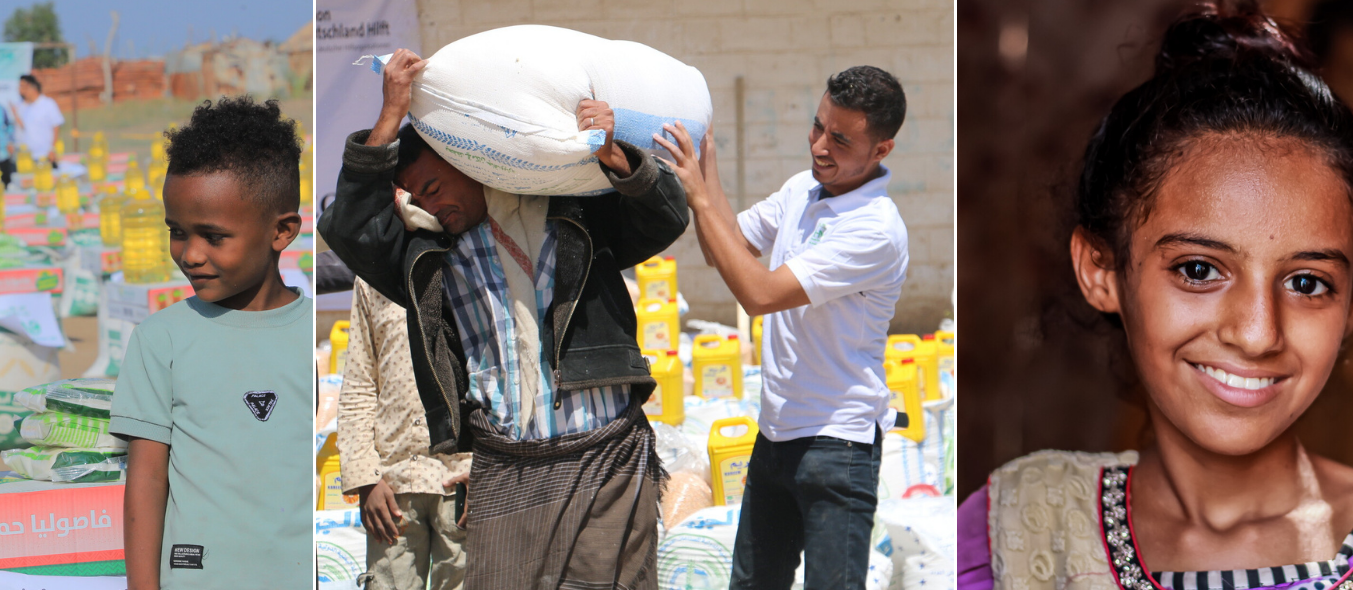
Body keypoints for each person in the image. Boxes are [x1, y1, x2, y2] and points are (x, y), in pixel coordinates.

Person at [954, 0, 1353, 588]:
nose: (1257, 333)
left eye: (1307, 283)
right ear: (1102, 270)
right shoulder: (1019, 529)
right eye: (1199, 270)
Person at [318, 49, 688, 590]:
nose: (429, 203)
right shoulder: (429, 258)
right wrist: (391, 114)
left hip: (605, 456)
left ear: (468, 163)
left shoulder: (573, 211)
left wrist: (615, 158)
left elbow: (667, 215)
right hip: (506, 466)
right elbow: (347, 227)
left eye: (435, 188)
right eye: (417, 195)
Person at [653, 64, 909, 589]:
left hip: (838, 450)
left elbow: (758, 293)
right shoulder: (801, 191)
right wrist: (709, 167)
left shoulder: (875, 229)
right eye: (817, 127)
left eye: (840, 139)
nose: (819, 146)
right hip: (774, 436)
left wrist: (700, 195)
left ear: (881, 150)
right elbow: (724, 247)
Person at [108, 96, 312, 589]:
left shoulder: (314, 339)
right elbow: (147, 481)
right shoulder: (161, 339)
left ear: (281, 231)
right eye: (177, 232)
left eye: (213, 236)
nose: (190, 254)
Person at [339, 277, 472, 590]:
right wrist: (365, 478)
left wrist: (489, 468)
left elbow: (501, 372)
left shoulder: (469, 259)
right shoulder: (372, 276)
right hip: (391, 484)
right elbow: (360, 380)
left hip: (464, 478)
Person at [13, 74, 64, 168]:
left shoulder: (48, 104)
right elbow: (23, 128)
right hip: (27, 158)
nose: (20, 90)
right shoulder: (23, 106)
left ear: (32, 87)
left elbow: (56, 127)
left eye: (23, 87)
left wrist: (52, 149)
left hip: (45, 156)